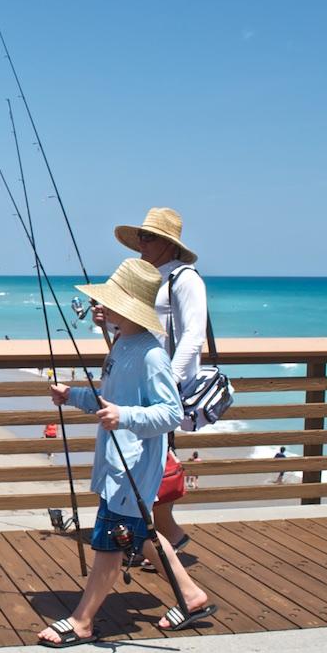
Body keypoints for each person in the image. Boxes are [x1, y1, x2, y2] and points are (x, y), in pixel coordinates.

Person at [37, 258, 214, 648]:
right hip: (117, 461)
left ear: (128, 304)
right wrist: (73, 397)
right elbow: (111, 399)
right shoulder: (122, 343)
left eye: (110, 301)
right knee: (139, 532)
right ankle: (190, 596)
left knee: (109, 541)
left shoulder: (151, 355)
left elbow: (170, 413)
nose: (102, 307)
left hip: (132, 466)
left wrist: (125, 415)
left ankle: (82, 621)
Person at [101, 206, 205, 554]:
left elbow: (194, 335)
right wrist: (110, 320)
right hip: (142, 386)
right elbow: (136, 330)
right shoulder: (150, 278)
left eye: (147, 237)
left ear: (167, 243)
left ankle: (161, 540)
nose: (140, 244)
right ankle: (158, 541)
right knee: (147, 466)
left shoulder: (184, 278)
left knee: (152, 467)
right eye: (140, 237)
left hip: (162, 388)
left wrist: (170, 382)